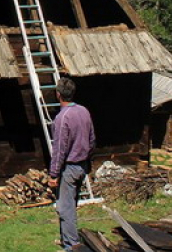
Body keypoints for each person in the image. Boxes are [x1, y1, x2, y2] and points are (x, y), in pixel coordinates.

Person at [48, 77, 95, 252]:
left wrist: (54, 174)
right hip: (82, 165)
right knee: (71, 205)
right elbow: (92, 140)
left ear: (58, 94)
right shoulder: (84, 111)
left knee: (65, 208)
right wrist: (88, 162)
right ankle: (67, 239)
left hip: (69, 166)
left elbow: (59, 149)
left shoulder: (62, 118)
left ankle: (71, 246)